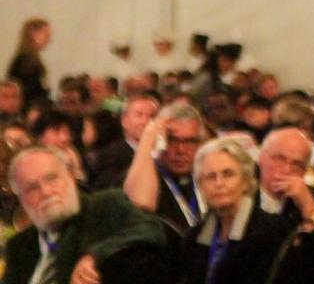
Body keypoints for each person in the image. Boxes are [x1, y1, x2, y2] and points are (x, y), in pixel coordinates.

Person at [2, 145, 171, 284]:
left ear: (70, 176)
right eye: (32, 188)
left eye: (52, 179)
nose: (46, 191)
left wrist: (94, 256)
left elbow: (151, 228)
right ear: (21, 198)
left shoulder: (104, 206)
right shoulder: (19, 246)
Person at [178, 137, 314, 284]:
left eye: (228, 174)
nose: (219, 183)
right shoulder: (193, 238)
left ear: (245, 181)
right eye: (210, 177)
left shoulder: (274, 232)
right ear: (201, 186)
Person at [255, 128, 314, 282]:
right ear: (261, 157)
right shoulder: (240, 192)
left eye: (297, 165)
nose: (287, 169)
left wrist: (308, 207)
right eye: (279, 158)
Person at [125, 104, 208, 231]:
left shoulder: (209, 177)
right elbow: (141, 205)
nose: (181, 150)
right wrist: (147, 140)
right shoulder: (145, 175)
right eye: (172, 140)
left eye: (190, 141)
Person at [91, 93, 159, 189]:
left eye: (152, 116)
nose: (146, 121)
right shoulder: (109, 156)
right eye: (139, 115)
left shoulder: (164, 154)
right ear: (125, 121)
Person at [6, 18, 51, 107]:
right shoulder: (25, 62)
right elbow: (27, 91)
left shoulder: (30, 60)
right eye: (46, 35)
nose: (49, 40)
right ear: (33, 34)